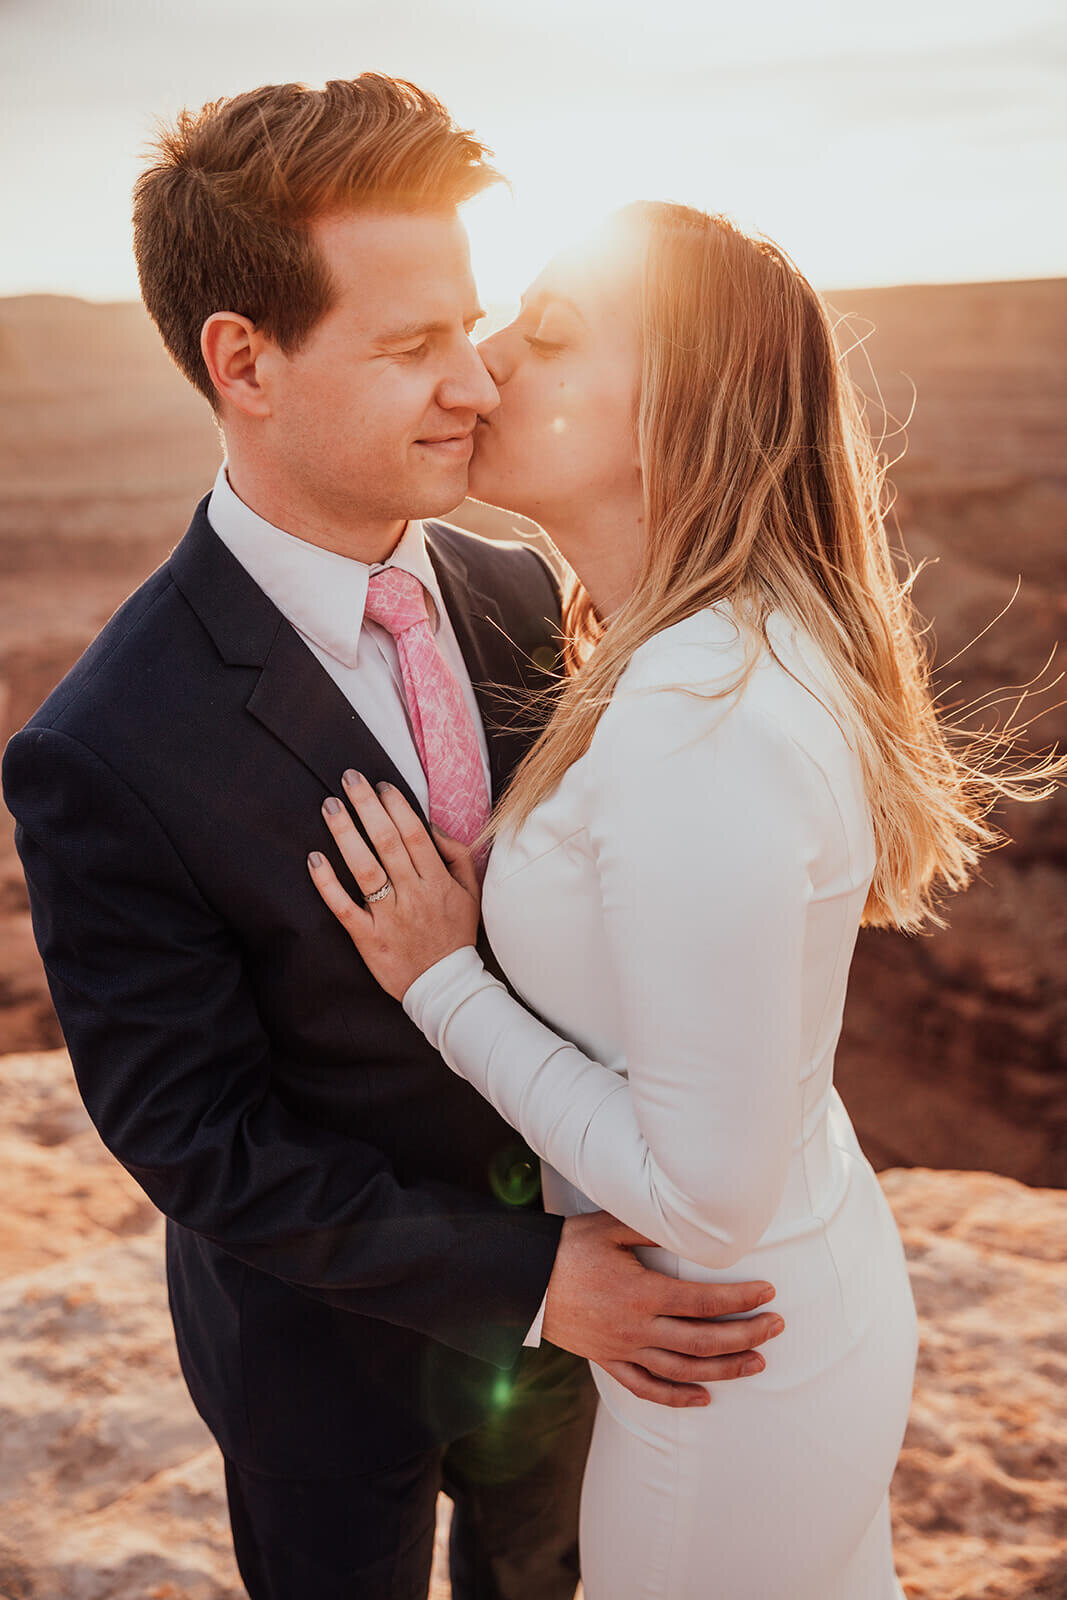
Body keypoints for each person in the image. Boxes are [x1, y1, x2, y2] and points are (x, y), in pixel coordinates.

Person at [1, 86, 784, 1600]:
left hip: (591, 1301)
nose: (476, 386)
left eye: (471, 329)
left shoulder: (518, 591)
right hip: (327, 1364)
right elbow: (193, 1134)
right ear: (246, 362)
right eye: (410, 344)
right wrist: (529, 1282)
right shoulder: (103, 746)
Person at [307, 203, 1061, 1597]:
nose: (478, 368)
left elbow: (706, 1200)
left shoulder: (695, 712)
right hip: (781, 1318)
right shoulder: (711, 649)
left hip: (730, 1361)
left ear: (679, 418)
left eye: (548, 338)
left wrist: (440, 982)